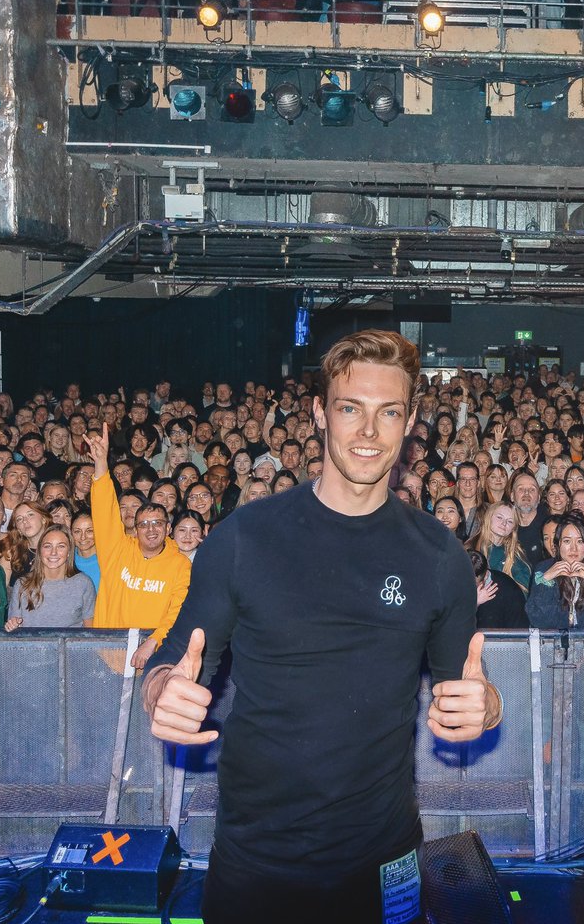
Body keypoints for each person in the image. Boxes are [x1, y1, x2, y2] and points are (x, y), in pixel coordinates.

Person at [142, 330, 500, 924]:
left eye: (388, 412)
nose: (367, 432)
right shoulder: (243, 539)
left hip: (383, 859)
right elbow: (176, 657)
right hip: (256, 861)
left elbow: (463, 682)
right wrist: (160, 692)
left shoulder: (438, 558)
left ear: (410, 421)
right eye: (350, 409)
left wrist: (486, 706)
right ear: (319, 414)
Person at [87, 428, 193, 671]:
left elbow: (177, 612)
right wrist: (101, 463)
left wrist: (153, 642)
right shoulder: (118, 550)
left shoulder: (180, 564)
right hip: (107, 659)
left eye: (157, 523)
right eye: (143, 524)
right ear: (135, 528)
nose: (151, 529)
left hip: (153, 660)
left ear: (168, 528)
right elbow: (105, 511)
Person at [525, 512, 584, 631]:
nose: (573, 548)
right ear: (558, 544)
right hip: (553, 644)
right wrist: (545, 581)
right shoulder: (543, 569)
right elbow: (540, 622)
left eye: (580, 541)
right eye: (567, 541)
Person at [5, 524, 95, 630]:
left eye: (61, 546)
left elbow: (90, 633)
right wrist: (13, 626)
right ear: (40, 550)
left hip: (70, 646)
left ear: (69, 552)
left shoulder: (83, 583)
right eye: (47, 546)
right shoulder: (22, 584)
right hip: (30, 646)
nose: (53, 552)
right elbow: (14, 627)